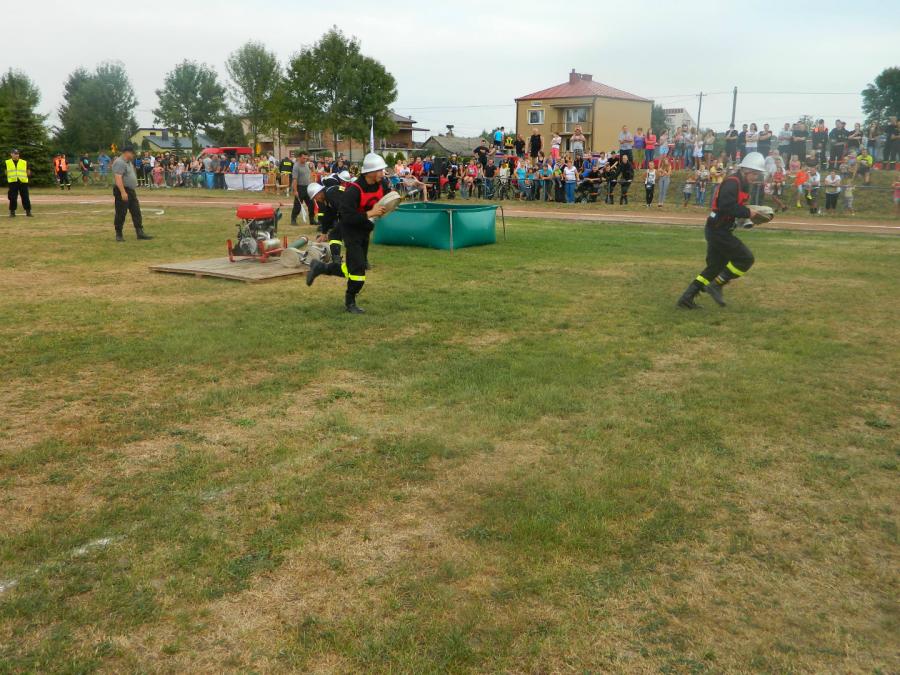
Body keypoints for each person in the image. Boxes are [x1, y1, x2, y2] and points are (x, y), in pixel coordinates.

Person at [675, 152, 767, 309]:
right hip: (718, 230)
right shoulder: (733, 183)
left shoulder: (742, 183)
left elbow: (735, 207)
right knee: (745, 259)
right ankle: (717, 284)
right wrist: (748, 213)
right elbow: (726, 206)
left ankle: (686, 298)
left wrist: (747, 217)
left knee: (714, 267)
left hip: (719, 229)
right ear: (747, 171)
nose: (756, 177)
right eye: (755, 174)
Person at [306, 152, 393, 314]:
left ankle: (321, 268)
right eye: (380, 170)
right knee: (358, 271)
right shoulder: (353, 191)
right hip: (351, 231)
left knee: (356, 267)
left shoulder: (381, 184)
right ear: (370, 172)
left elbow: (385, 200)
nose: (383, 173)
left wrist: (389, 205)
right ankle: (350, 302)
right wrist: (371, 213)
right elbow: (346, 217)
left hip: (365, 229)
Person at [112, 144, 152, 241]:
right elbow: (118, 178)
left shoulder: (128, 162)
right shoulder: (120, 162)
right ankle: (119, 234)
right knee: (121, 213)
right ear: (127, 153)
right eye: (132, 153)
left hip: (131, 191)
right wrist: (123, 192)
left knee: (136, 212)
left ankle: (140, 232)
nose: (134, 155)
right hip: (123, 190)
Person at [5, 149, 32, 217]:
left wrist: (26, 176)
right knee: (13, 198)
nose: (16, 155)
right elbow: (5, 172)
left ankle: (28, 212)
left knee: (25, 197)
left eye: (17, 154)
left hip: (23, 182)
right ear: (11, 154)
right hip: (13, 182)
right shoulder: (7, 162)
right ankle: (12, 212)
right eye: (15, 154)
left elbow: (28, 172)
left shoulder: (24, 162)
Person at [290, 151, 312, 225]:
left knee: (311, 204)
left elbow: (309, 176)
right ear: (299, 157)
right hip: (300, 187)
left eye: (306, 158)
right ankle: (293, 220)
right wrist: (295, 190)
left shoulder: (306, 165)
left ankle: (312, 220)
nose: (305, 159)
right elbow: (295, 179)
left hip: (307, 187)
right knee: (297, 205)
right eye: (303, 158)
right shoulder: (296, 166)